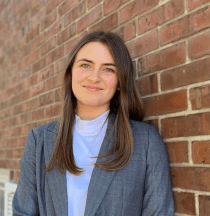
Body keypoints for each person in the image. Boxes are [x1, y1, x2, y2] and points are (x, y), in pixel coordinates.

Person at [12, 30, 174, 216]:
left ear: (120, 81)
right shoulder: (38, 141)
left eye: (108, 69)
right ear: (71, 73)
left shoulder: (146, 141)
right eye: (85, 65)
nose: (94, 77)